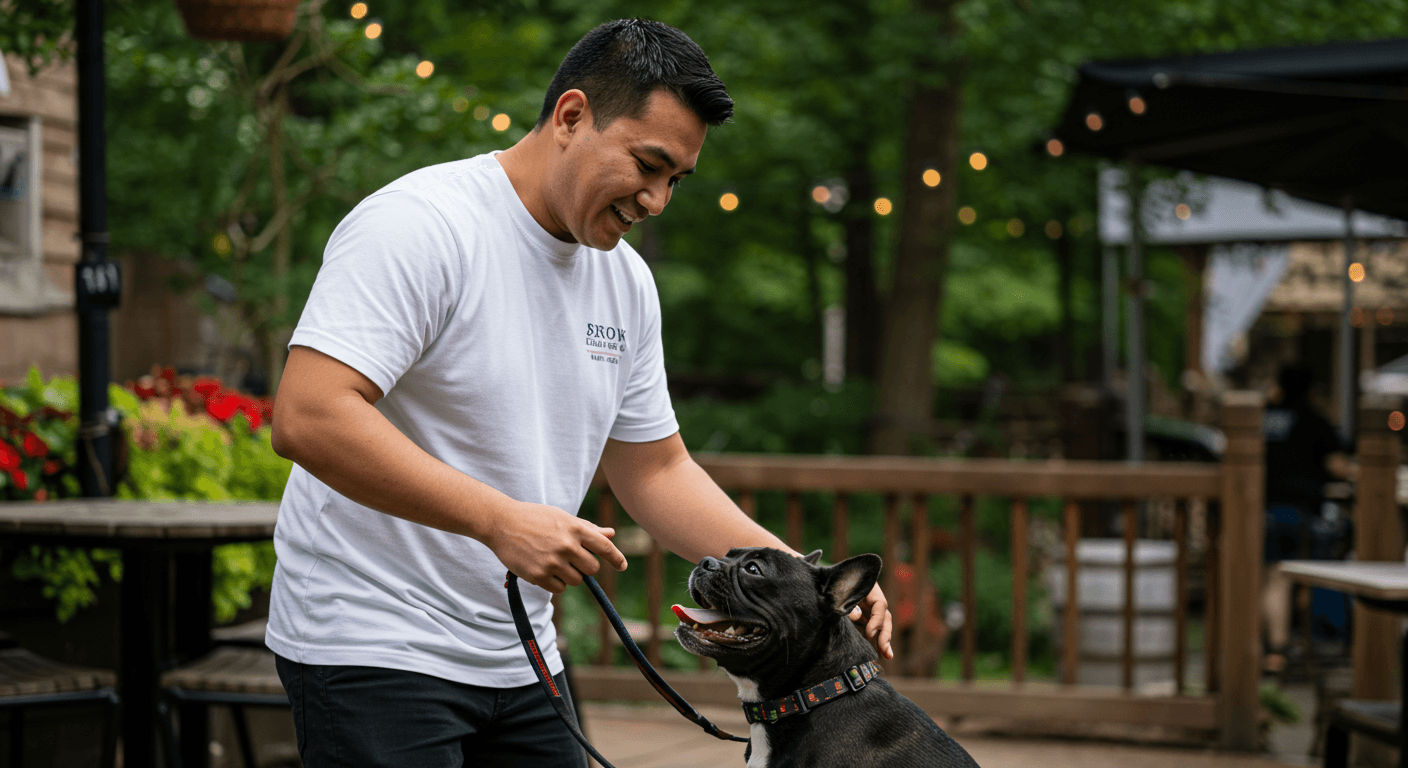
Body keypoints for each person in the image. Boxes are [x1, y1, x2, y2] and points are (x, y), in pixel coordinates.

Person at [265, 18, 894, 767]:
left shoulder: (624, 282)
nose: (658, 200)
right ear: (571, 117)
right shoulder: (420, 225)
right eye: (648, 165)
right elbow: (310, 414)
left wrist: (809, 582)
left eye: (676, 181)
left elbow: (655, 470)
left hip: (520, 653)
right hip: (370, 643)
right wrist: (499, 520)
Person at [1260, 365, 1352, 674]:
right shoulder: (1313, 419)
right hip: (1298, 511)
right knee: (1295, 577)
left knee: (1268, 579)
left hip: (1258, 510)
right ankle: (1293, 647)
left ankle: (1270, 650)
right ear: (1310, 389)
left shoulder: (1264, 416)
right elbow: (1339, 466)